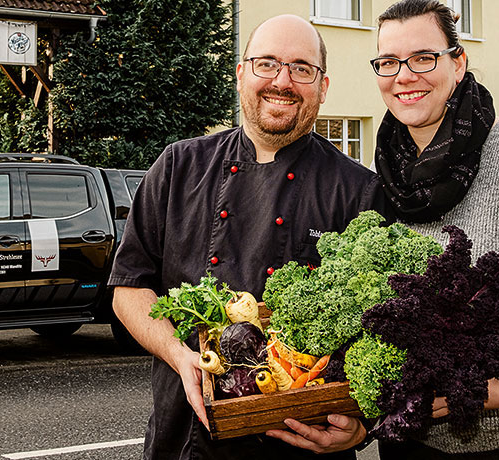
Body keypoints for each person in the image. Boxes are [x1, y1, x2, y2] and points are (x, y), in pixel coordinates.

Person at [108, 14, 389, 460]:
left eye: (301, 68)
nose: (282, 81)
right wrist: (182, 356)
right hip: (181, 437)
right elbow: (129, 289)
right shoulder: (178, 166)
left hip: (302, 444)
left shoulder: (357, 191)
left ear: (323, 85)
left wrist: (361, 430)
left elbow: (384, 334)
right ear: (242, 74)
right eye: (267, 64)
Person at [367, 0, 499, 458]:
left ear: (458, 62)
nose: (404, 75)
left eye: (424, 57)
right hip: (414, 438)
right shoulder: (384, 179)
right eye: (388, 62)